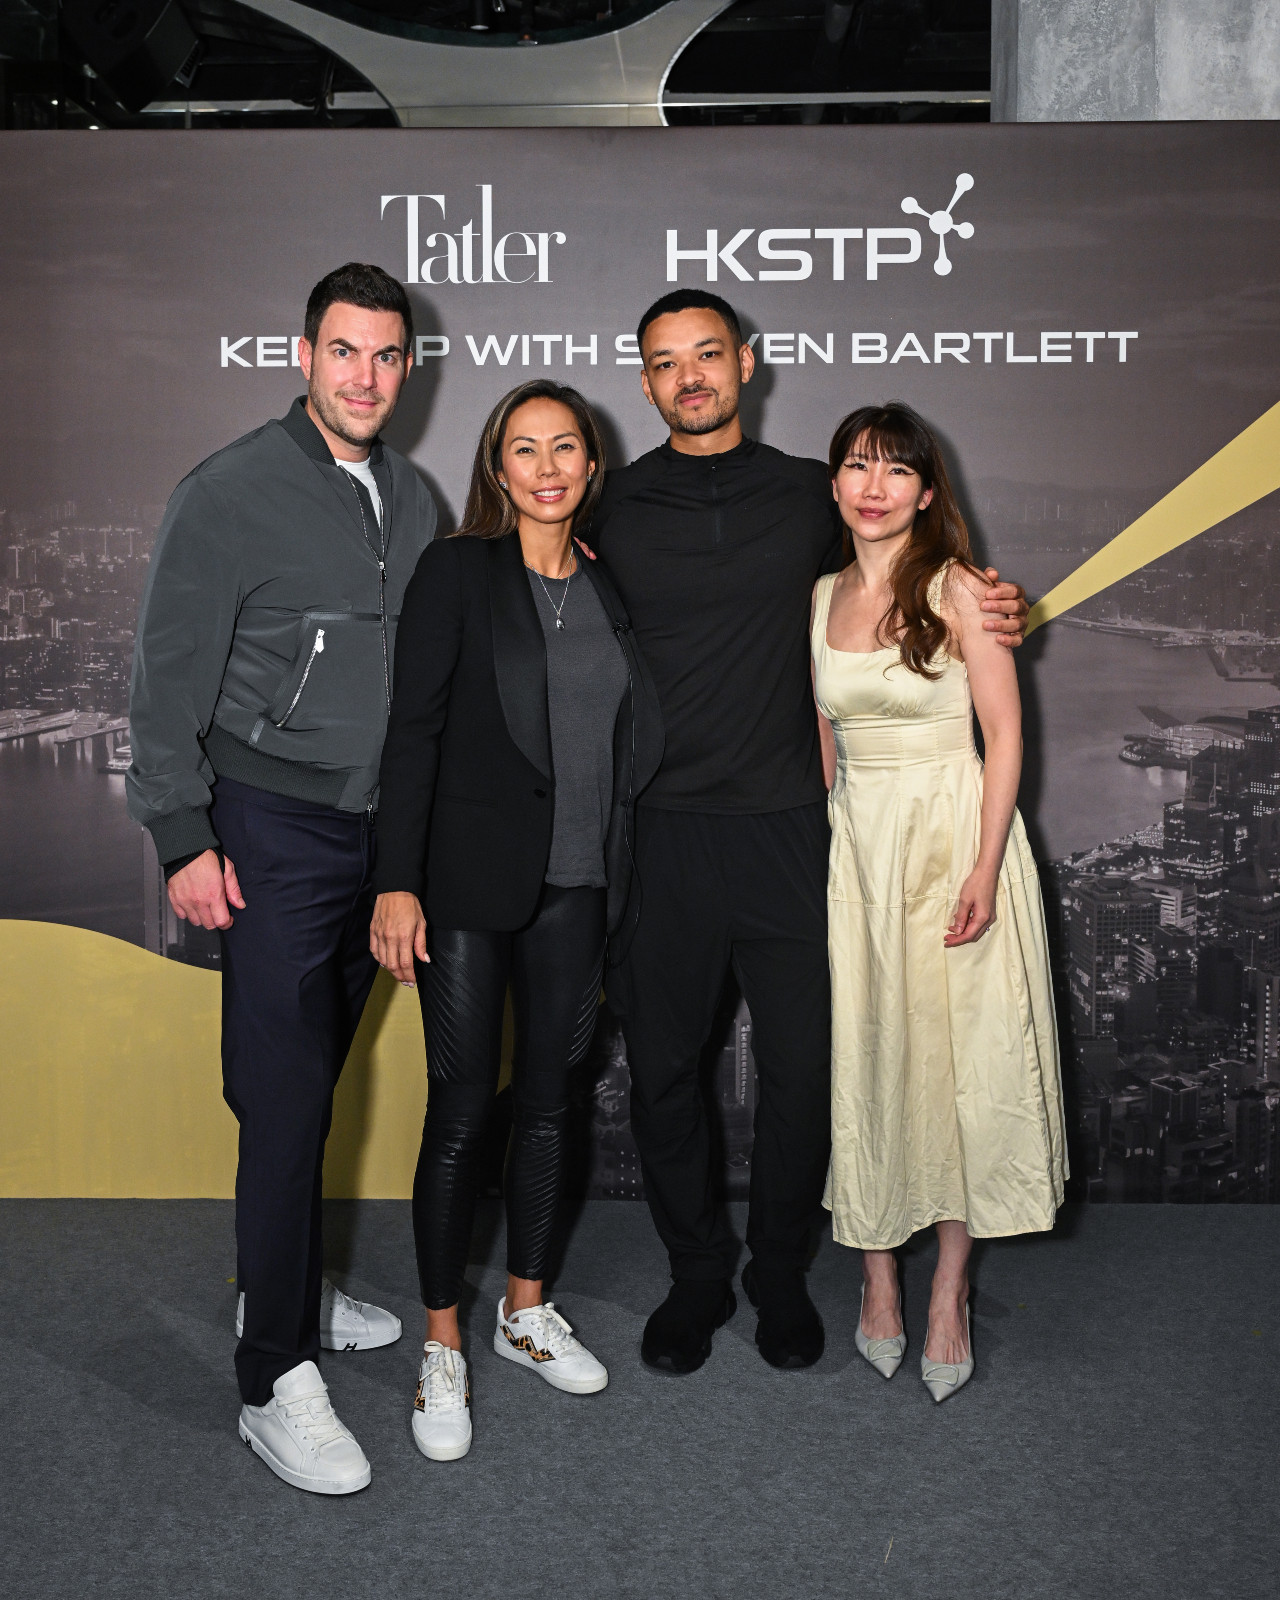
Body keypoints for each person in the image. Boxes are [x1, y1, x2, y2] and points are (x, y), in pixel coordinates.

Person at [582, 289, 1030, 1376]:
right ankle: (697, 1276)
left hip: (794, 832)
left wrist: (1000, 603)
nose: (687, 375)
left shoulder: (814, 497)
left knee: (802, 1071)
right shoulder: (611, 508)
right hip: (660, 831)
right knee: (664, 1076)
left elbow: (910, 564)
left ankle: (777, 1274)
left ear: (745, 362)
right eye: (662, 362)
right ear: (643, 382)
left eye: (705, 353)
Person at [127, 263, 438, 1494]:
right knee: (285, 1090)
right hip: (266, 829)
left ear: (406, 368)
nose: (365, 377)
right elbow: (164, 675)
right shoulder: (228, 491)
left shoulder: (411, 499)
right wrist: (179, 835)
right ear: (302, 356)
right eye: (344, 352)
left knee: (306, 1077)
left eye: (387, 356)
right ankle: (272, 1375)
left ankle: (292, 1281)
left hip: (371, 836)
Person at [369, 380, 663, 1462]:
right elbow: (412, 733)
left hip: (579, 884)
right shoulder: (457, 571)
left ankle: (523, 1310)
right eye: (523, 449)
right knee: (460, 1110)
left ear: (591, 466)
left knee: (548, 1103)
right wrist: (395, 881)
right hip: (464, 888)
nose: (546, 467)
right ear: (497, 468)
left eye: (566, 448)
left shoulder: (608, 582)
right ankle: (442, 1340)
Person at [812, 401, 1067, 1403]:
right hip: (863, 852)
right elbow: (826, 741)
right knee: (871, 1052)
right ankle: (876, 1275)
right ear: (832, 484)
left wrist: (981, 863)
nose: (871, 485)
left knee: (963, 1059)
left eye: (892, 469)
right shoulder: (818, 595)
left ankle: (948, 1289)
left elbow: (1001, 735)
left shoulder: (960, 590)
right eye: (854, 467)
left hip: (957, 836)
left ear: (924, 489)